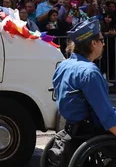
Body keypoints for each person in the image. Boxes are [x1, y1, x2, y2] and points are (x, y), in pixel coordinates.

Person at [49, 18, 116, 165]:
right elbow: (106, 117)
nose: (104, 43)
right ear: (93, 43)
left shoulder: (64, 65)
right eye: (101, 40)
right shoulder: (89, 72)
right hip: (91, 128)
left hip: (72, 125)